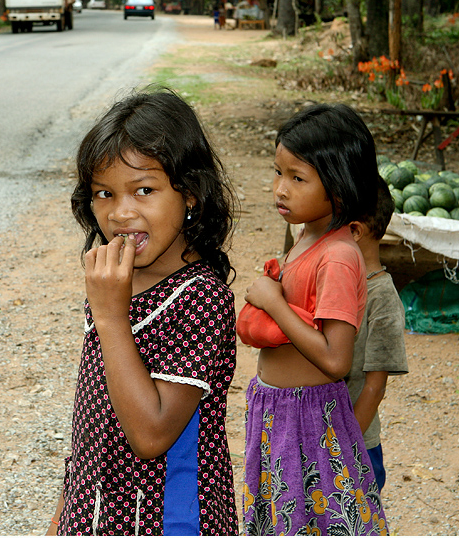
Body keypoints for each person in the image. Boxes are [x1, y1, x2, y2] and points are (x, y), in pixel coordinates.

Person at [48, 87, 239, 536]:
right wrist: (69, 499)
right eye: (104, 193)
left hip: (167, 518)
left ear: (190, 194)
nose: (120, 212)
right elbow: (93, 406)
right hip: (98, 510)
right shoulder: (117, 281)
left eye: (145, 190)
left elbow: (151, 435)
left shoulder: (200, 298)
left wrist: (111, 317)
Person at [236, 103, 389, 535]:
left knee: (318, 521)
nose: (280, 188)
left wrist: (273, 303)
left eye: (297, 178)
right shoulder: (306, 236)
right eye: (278, 172)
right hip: (277, 409)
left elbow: (336, 359)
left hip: (308, 416)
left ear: (339, 189)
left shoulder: (339, 256)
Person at [345, 177, 409, 493]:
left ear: (355, 231)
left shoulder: (382, 298)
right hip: (318, 435)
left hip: (356, 445)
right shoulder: (335, 283)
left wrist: (346, 446)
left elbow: (375, 386)